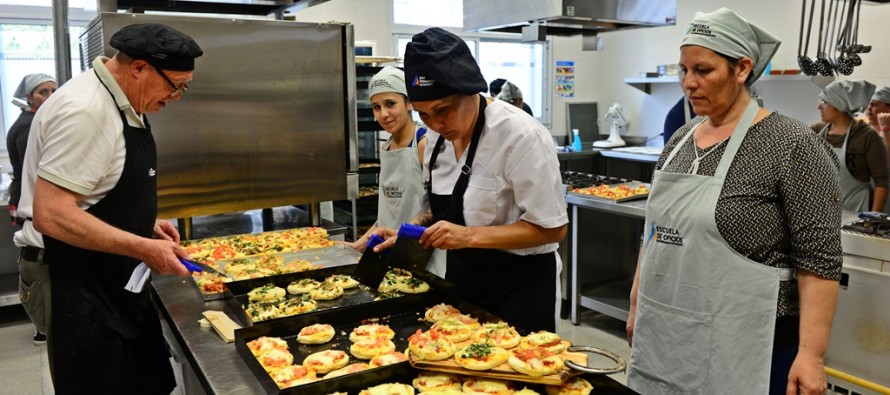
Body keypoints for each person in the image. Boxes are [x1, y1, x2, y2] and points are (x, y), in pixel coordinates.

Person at [626, 8, 842, 395]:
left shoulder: (791, 144)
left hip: (752, 343)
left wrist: (811, 354)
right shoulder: (680, 140)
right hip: (668, 329)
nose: (688, 84)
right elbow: (654, 232)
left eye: (703, 71)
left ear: (742, 69)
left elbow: (818, 259)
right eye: (683, 70)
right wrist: (637, 302)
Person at [15, 23, 202, 392]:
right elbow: (51, 213)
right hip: (74, 280)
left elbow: (95, 191)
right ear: (139, 68)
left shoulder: (122, 98)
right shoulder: (86, 110)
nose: (176, 96)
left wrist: (142, 222)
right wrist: (142, 246)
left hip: (107, 275)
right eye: (175, 85)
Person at [375, 27, 567, 332]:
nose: (436, 123)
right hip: (464, 284)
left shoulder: (520, 136)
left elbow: (553, 228)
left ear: (470, 91)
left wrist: (467, 236)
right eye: (424, 115)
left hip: (520, 289)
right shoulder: (436, 139)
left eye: (443, 110)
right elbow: (440, 210)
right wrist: (408, 235)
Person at [345, 66, 445, 277]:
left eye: (390, 104)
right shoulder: (387, 147)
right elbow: (387, 215)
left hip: (422, 257)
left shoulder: (423, 144)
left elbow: (440, 208)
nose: (384, 114)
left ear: (409, 103)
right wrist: (357, 246)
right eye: (376, 107)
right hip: (389, 253)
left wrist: (405, 235)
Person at [6, 73, 56, 346]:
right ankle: (43, 326)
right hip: (29, 199)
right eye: (42, 92)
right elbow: (34, 171)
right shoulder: (28, 126)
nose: (49, 97)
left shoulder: (36, 120)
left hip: (30, 197)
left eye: (53, 90)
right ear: (28, 97)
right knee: (35, 252)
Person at [817, 80, 889, 213]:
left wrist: (873, 218)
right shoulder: (817, 130)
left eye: (825, 102)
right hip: (824, 213)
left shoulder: (867, 136)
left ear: (839, 106)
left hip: (856, 214)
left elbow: (882, 181)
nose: (819, 107)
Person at [866, 86, 890, 156]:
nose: (868, 108)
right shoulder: (861, 129)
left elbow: (884, 159)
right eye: (867, 104)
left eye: (874, 104)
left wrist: (884, 127)